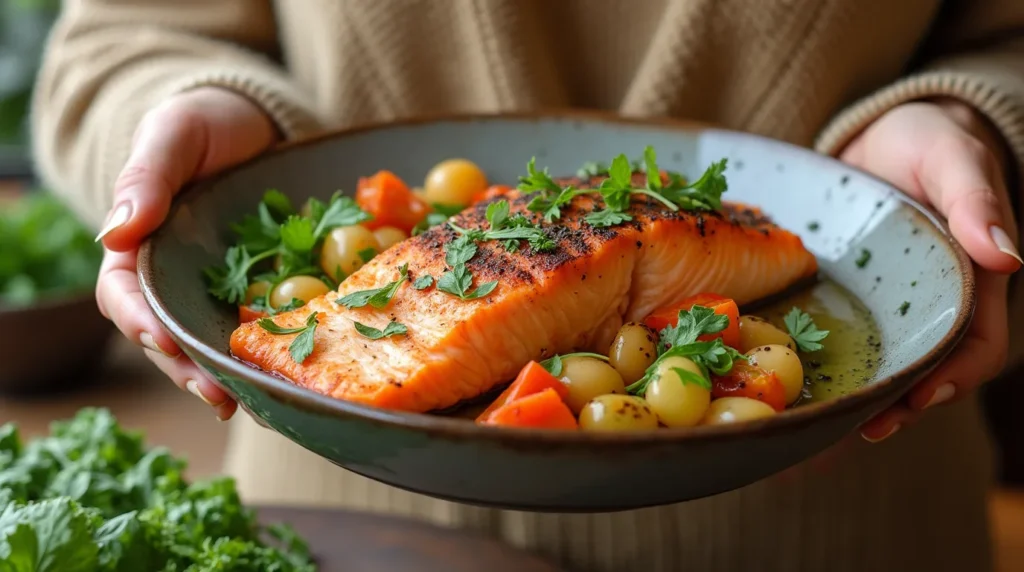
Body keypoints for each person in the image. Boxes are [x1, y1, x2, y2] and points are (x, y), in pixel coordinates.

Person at [32, 1, 1024, 571]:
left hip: (838, 527)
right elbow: (121, 33)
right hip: (353, 527)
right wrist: (183, 129)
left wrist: (976, 125)